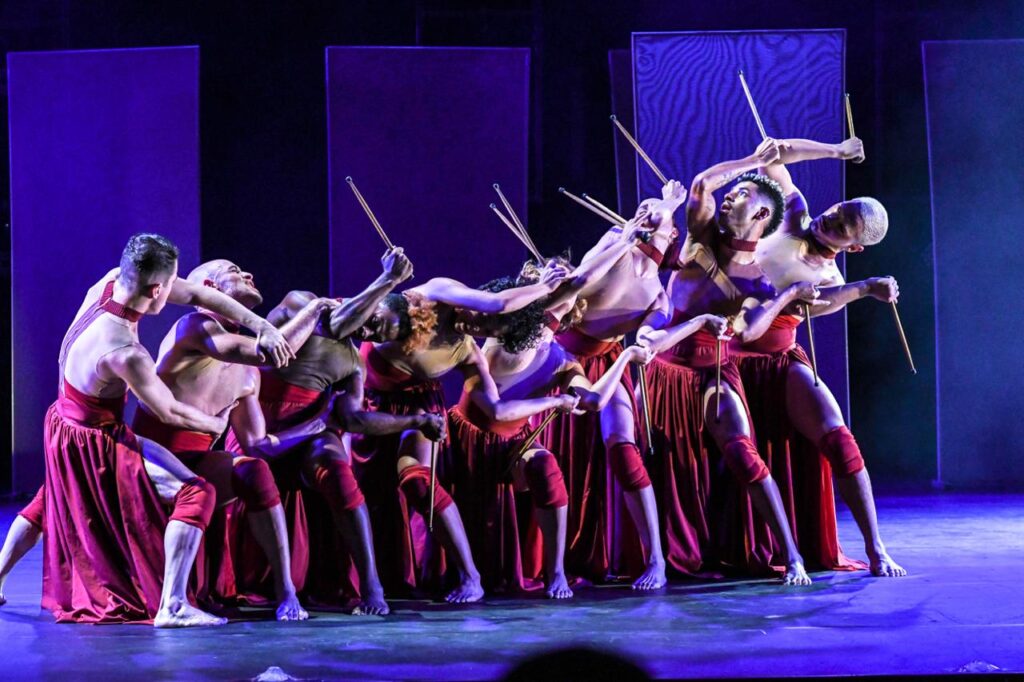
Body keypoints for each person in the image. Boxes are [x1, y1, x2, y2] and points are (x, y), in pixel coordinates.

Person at [17, 233, 291, 626]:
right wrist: (216, 423)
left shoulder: (110, 282)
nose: (181, 290)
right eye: (172, 283)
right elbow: (168, 411)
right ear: (156, 289)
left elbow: (197, 294)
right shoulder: (126, 351)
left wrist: (261, 325)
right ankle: (173, 605)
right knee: (197, 492)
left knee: (52, 499)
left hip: (63, 424)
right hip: (98, 440)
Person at [223, 247, 446, 616]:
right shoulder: (304, 303)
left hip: (309, 429)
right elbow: (333, 324)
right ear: (370, 300)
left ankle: (371, 585)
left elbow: (353, 420)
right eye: (374, 321)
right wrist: (388, 279)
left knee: (340, 474)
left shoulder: (353, 364)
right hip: (259, 418)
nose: (368, 331)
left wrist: (416, 421)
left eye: (378, 334)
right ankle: (280, 587)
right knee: (250, 472)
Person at [640, 140, 822, 584]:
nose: (728, 197)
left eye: (740, 195)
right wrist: (755, 162)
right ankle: (655, 558)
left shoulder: (764, 278)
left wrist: (792, 296)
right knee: (656, 464)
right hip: (663, 368)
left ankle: (792, 554)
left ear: (761, 215)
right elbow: (702, 185)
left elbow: (751, 330)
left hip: (714, 370)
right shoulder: (702, 236)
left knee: (742, 452)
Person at [448, 223, 661, 597]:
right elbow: (496, 411)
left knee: (547, 470)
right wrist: (625, 240)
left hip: (511, 442)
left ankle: (556, 571)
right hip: (467, 435)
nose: (563, 284)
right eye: (555, 280)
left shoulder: (560, 359)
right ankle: (468, 574)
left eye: (564, 282)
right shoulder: (513, 326)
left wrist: (626, 355)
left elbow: (592, 401)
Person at [132, 258, 341, 620]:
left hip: (196, 461)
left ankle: (286, 591)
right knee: (199, 488)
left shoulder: (247, 375)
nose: (248, 273)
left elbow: (257, 443)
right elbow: (270, 352)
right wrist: (316, 307)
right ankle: (175, 603)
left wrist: (314, 426)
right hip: (150, 460)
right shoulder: (194, 327)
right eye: (233, 270)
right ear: (209, 289)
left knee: (254, 471)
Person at [355, 264, 575, 603]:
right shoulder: (442, 290)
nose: (476, 326)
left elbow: (496, 410)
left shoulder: (468, 352)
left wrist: (556, 400)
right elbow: (500, 303)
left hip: (417, 409)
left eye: (487, 329)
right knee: (366, 492)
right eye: (480, 318)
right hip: (366, 401)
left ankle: (470, 576)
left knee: (417, 481)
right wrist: (545, 287)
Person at [738, 136, 905, 577]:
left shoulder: (828, 277)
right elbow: (773, 155)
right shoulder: (793, 211)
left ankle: (876, 547)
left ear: (854, 247)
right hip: (723, 350)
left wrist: (865, 289)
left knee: (839, 439)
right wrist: (837, 152)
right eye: (839, 208)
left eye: (843, 225)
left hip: (775, 357)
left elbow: (819, 304)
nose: (831, 216)